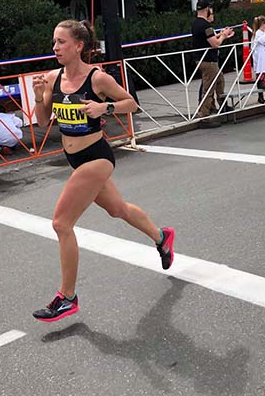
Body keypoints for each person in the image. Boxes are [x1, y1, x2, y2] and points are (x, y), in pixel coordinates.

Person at [31, 19, 175, 322]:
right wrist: (38, 97)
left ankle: (67, 297)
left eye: (62, 42)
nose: (55, 47)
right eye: (54, 42)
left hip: (96, 156)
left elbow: (131, 104)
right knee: (118, 209)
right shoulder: (52, 77)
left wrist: (103, 109)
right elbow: (43, 122)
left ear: (79, 46)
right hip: (74, 158)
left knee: (61, 223)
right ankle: (161, 236)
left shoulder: (97, 79)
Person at [191, 0, 234, 126]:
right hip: (208, 61)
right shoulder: (205, 26)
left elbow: (207, 39)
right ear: (207, 10)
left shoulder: (196, 24)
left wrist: (220, 35)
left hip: (202, 59)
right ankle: (204, 116)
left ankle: (221, 105)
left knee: (220, 80)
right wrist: (224, 35)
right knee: (209, 88)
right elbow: (215, 44)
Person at [250, 15, 265, 99]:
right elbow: (263, 41)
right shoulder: (258, 33)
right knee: (260, 70)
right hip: (260, 55)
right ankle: (261, 91)